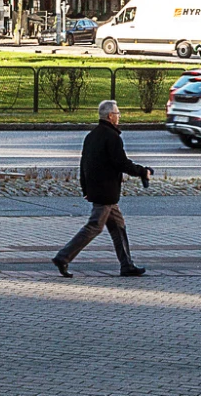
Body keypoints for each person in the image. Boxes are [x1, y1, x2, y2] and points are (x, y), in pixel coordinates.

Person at [52, 99, 151, 278]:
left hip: (99, 190)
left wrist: (85, 188)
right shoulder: (112, 137)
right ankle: (63, 257)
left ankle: (127, 265)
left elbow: (84, 164)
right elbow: (122, 163)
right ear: (110, 116)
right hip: (106, 192)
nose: (119, 116)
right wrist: (142, 172)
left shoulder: (92, 136)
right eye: (118, 113)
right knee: (95, 226)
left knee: (118, 226)